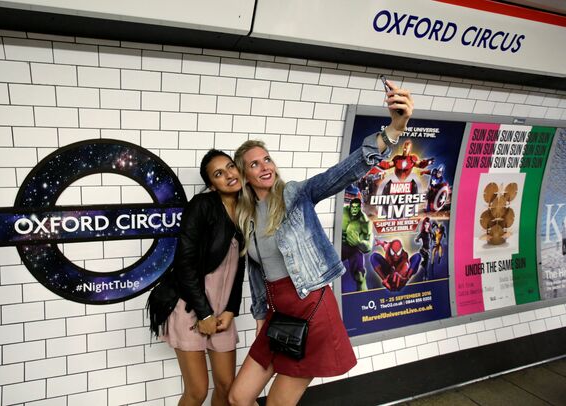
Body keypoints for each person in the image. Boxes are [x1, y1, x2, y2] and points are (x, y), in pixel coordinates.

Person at [228, 80, 414, 406]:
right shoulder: (245, 216)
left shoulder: (295, 194)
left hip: (311, 308)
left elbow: (341, 173)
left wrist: (392, 131)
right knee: (238, 397)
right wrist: (260, 316)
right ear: (244, 176)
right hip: (277, 314)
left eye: (267, 159)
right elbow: (258, 272)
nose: (264, 166)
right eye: (254, 164)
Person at [148, 149, 245, 406]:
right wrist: (204, 314)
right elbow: (184, 263)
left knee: (226, 386)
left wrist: (231, 310)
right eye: (219, 173)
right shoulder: (202, 206)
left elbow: (240, 267)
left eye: (231, 167)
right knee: (198, 391)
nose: (228, 175)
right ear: (211, 184)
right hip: (191, 305)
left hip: (222, 311)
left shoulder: (247, 211)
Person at [342, 197, 374, 291]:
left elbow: (368, 248)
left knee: (360, 276)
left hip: (353, 249)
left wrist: (359, 242)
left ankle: (364, 301)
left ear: (360, 208)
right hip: (337, 248)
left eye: (357, 207)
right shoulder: (343, 211)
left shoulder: (365, 223)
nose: (354, 209)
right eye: (353, 207)